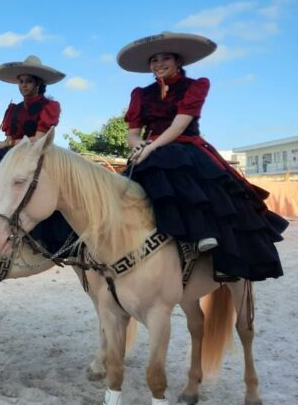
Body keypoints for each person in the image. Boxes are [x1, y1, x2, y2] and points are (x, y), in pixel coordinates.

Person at [117, 31, 287, 281]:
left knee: (204, 186)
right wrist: (140, 145)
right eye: (154, 60)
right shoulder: (141, 94)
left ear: (178, 61)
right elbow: (132, 133)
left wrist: (151, 148)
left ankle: (208, 240)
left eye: (165, 58)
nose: (159, 64)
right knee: (121, 189)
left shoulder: (195, 86)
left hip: (185, 145)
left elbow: (178, 126)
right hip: (150, 147)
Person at [0, 55, 73, 253]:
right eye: (21, 81)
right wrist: (0, 144)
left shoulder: (49, 106)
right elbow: (9, 137)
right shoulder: (13, 109)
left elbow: (39, 139)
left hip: (35, 151)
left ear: (38, 83)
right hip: (14, 151)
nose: (23, 86)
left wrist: (10, 143)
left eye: (28, 81)